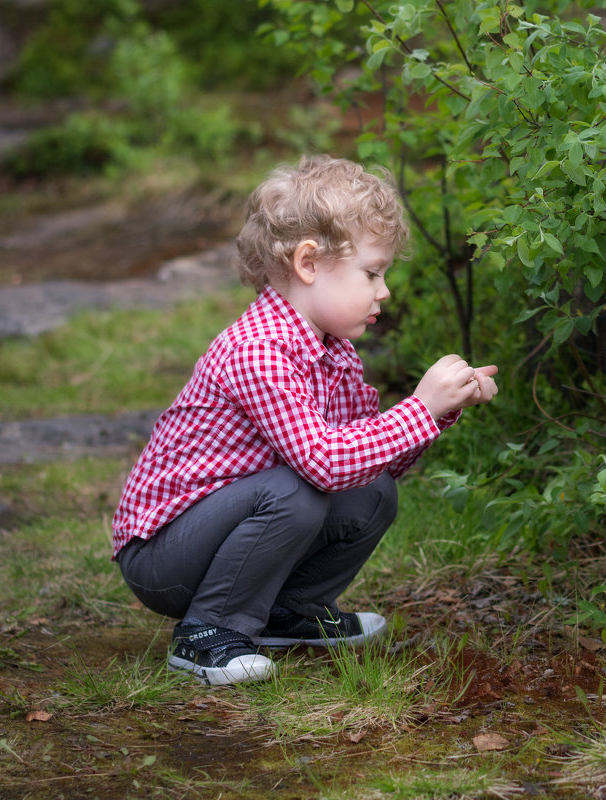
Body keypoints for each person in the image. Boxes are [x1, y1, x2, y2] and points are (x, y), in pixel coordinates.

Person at [110, 155, 498, 686]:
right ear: (308, 263)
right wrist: (419, 408)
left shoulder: (333, 353)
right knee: (297, 492)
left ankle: (286, 611)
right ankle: (206, 632)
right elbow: (324, 464)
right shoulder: (259, 350)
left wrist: (441, 408)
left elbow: (366, 460)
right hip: (164, 559)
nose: (383, 291)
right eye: (371, 272)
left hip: (224, 531)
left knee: (374, 492)